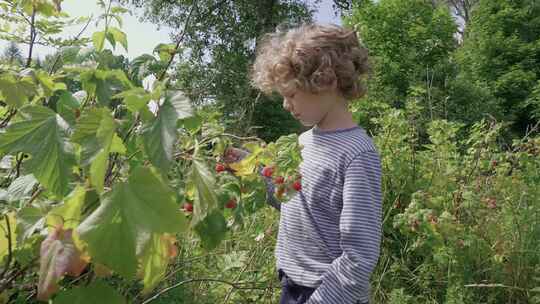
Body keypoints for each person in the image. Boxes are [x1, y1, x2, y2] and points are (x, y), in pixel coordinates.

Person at [225, 23, 382, 304]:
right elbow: (291, 198)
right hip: (293, 282)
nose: (286, 105)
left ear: (327, 80)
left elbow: (360, 255)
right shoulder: (305, 142)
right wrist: (249, 166)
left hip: (329, 293)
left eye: (292, 94)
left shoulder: (357, 154)